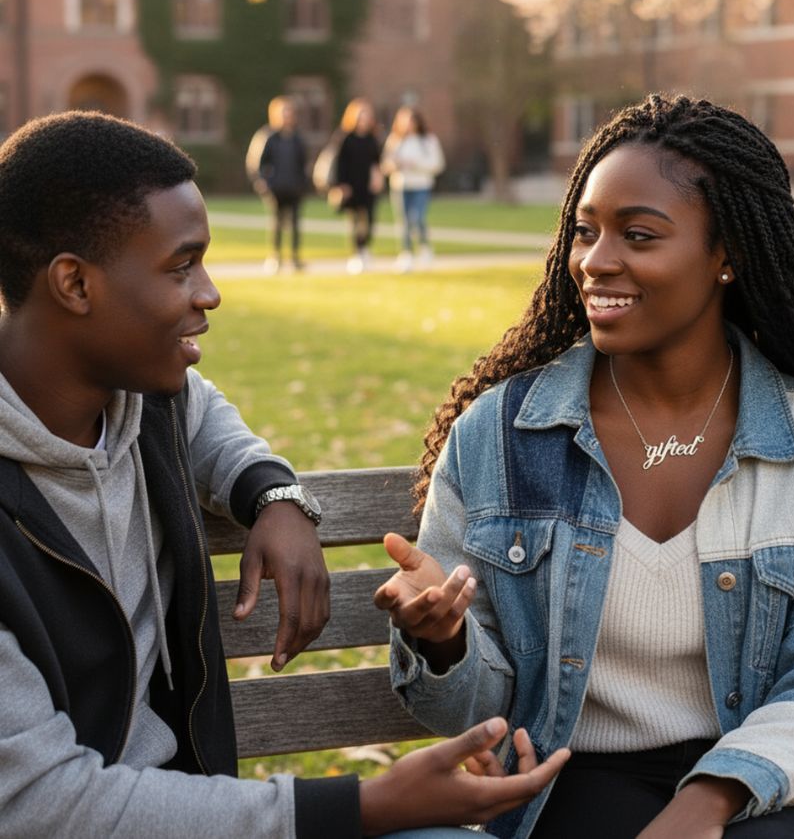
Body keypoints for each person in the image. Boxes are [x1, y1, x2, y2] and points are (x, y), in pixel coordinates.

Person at [0, 110, 571, 837]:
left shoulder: (139, 402)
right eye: (181, 266)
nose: (209, 293)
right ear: (75, 284)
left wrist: (277, 496)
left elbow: (206, 418)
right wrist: (365, 806)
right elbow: (41, 807)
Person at [375, 95, 794, 838]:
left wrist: (708, 798)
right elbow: (474, 713)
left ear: (728, 256)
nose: (595, 260)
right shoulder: (501, 434)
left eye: (638, 235)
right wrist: (444, 641)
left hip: (766, 791)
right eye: (585, 232)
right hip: (573, 784)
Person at [245, 96, 308, 273]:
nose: (287, 116)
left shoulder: (297, 138)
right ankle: (275, 257)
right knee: (277, 223)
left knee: (295, 224)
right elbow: (256, 162)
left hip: (294, 187)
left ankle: (295, 257)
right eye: (283, 112)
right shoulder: (268, 137)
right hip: (276, 189)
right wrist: (262, 182)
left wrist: (303, 182)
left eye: (289, 112)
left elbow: (303, 162)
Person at [381, 106, 445, 272]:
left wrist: (415, 164)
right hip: (401, 186)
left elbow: (437, 164)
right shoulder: (395, 141)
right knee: (404, 221)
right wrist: (395, 164)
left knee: (418, 218)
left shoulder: (428, 141)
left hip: (421, 186)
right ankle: (406, 253)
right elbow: (385, 165)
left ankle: (424, 248)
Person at [334, 98, 383, 274]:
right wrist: (341, 185)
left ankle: (365, 249)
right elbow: (340, 163)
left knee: (369, 221)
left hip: (368, 186)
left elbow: (378, 161)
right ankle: (356, 254)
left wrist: (378, 177)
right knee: (354, 222)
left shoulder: (372, 138)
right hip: (351, 186)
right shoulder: (346, 138)